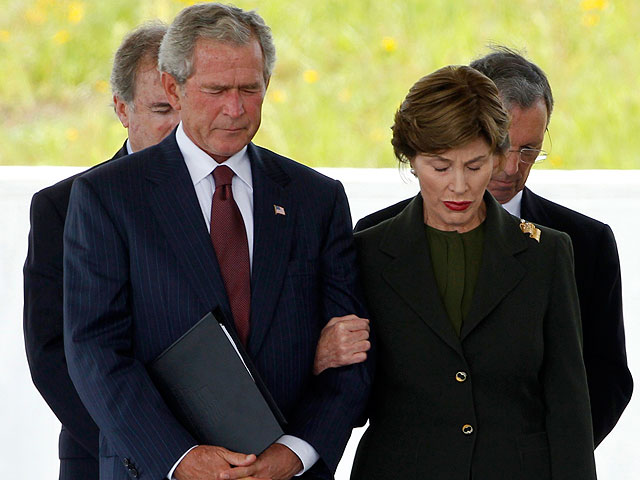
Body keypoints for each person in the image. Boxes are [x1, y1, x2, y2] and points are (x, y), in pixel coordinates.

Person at [63, 4, 370, 480]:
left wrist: (296, 453)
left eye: (250, 89)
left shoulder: (315, 199)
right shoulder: (109, 198)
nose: (235, 108)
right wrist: (180, 458)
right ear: (174, 88)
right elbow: (95, 351)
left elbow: (351, 350)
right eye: (216, 90)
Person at [344, 47, 632, 446]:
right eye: (503, 146)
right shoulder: (375, 238)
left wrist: (541, 460)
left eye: (530, 150)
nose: (511, 168)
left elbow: (605, 381)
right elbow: (361, 386)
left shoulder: (584, 243)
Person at [23, 22, 178, 480]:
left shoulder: (236, 196)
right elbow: (52, 355)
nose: (179, 125)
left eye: (187, 107)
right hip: (108, 460)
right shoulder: (62, 206)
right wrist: (159, 453)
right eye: (162, 109)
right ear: (122, 109)